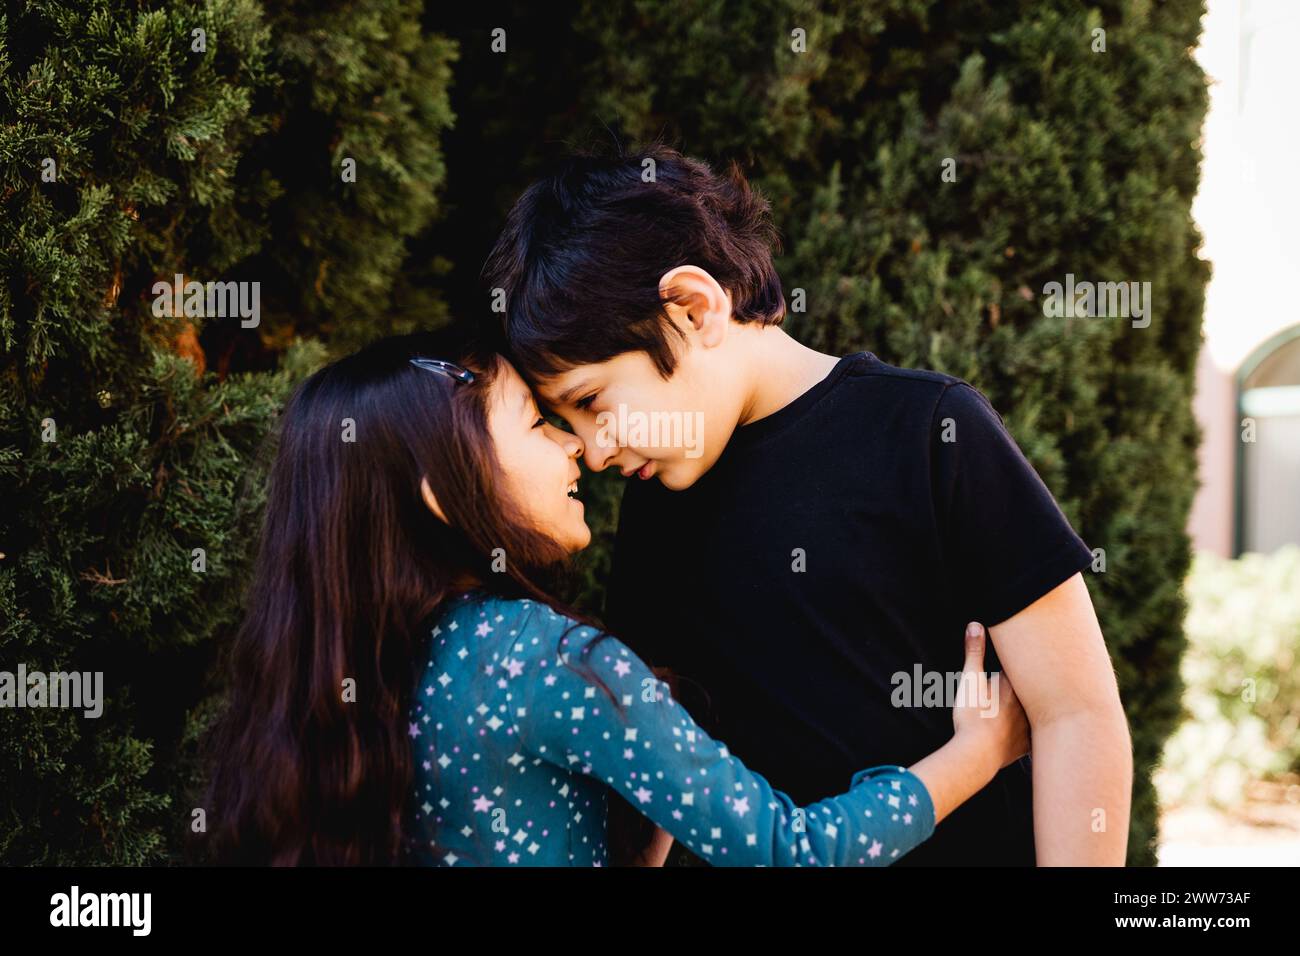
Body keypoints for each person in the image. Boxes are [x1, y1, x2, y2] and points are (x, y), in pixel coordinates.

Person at [483, 143, 1132, 866]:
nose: (595, 452)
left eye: (593, 402)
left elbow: (1076, 713)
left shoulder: (931, 431)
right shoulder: (658, 503)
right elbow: (655, 777)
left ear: (695, 309)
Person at [198, 332, 1028, 866]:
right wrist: (976, 756)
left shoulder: (345, 686)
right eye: (539, 423)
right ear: (441, 495)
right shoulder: (547, 662)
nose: (580, 449)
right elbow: (789, 851)